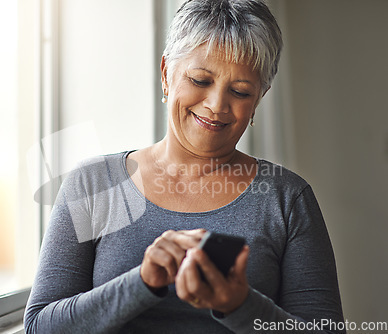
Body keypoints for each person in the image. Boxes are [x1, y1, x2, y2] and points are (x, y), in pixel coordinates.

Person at [24, 0, 345, 333]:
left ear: (259, 99)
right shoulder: (93, 185)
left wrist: (240, 305)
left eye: (239, 91)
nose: (217, 105)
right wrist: (142, 282)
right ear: (166, 74)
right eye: (201, 81)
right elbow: (40, 327)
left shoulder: (287, 198)